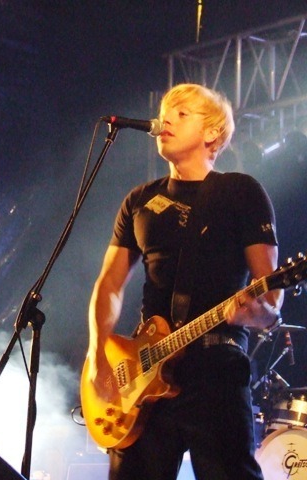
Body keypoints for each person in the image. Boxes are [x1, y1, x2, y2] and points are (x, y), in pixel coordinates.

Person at [86, 83, 283, 479]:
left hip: (217, 370)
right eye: (165, 113)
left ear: (212, 133)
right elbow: (109, 285)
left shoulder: (240, 192)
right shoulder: (140, 200)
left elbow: (271, 295)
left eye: (181, 113)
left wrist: (257, 314)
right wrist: (97, 355)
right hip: (144, 373)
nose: (166, 121)